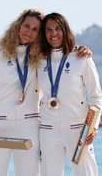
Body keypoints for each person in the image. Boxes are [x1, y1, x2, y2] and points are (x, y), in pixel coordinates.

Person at [0, 9, 91, 175]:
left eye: (35, 29)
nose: (29, 32)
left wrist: (79, 49)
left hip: (28, 125)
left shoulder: (41, 56)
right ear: (18, 25)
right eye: (26, 26)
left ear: (39, 34)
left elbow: (62, 54)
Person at [38, 13, 102, 176]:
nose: (54, 34)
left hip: (79, 130)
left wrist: (92, 127)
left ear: (65, 30)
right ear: (43, 34)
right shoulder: (38, 61)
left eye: (58, 28)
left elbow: (95, 96)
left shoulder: (81, 57)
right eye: (49, 30)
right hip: (48, 130)